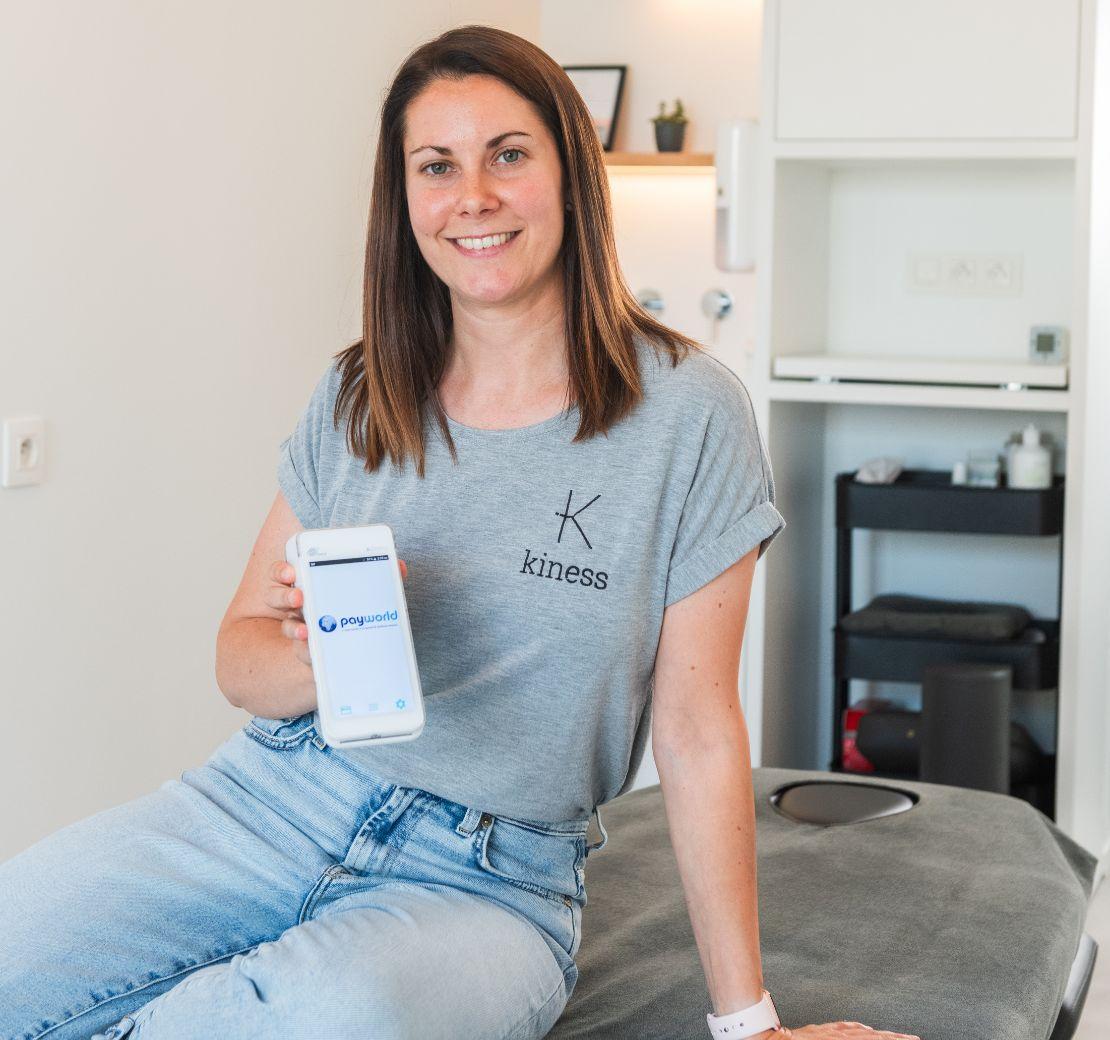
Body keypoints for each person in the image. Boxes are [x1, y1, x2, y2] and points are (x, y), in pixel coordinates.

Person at [0, 23, 919, 1040]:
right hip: (269, 800)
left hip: (489, 881)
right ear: (404, 200)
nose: (472, 196)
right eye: (437, 166)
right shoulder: (361, 392)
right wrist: (332, 653)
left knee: (325, 1015)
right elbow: (239, 657)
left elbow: (699, 729)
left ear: (571, 176)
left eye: (508, 155)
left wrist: (751, 1024)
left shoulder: (688, 413)